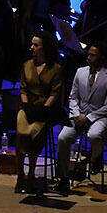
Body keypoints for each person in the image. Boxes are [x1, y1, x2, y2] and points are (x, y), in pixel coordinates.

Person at [56, 41, 107, 192]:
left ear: (101, 57)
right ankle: (63, 178)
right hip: (79, 116)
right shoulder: (80, 72)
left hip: (99, 117)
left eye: (93, 55)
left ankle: (96, 158)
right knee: (62, 137)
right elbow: (73, 97)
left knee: (94, 135)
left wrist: (89, 117)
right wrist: (76, 115)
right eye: (88, 54)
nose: (88, 57)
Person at [13, 34, 64, 194]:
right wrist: (27, 106)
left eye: (36, 45)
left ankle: (31, 176)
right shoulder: (27, 65)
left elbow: (54, 94)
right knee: (21, 134)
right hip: (27, 106)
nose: (32, 48)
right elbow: (23, 89)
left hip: (44, 109)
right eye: (32, 45)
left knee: (34, 136)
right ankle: (20, 175)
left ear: (45, 48)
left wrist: (42, 110)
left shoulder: (56, 69)